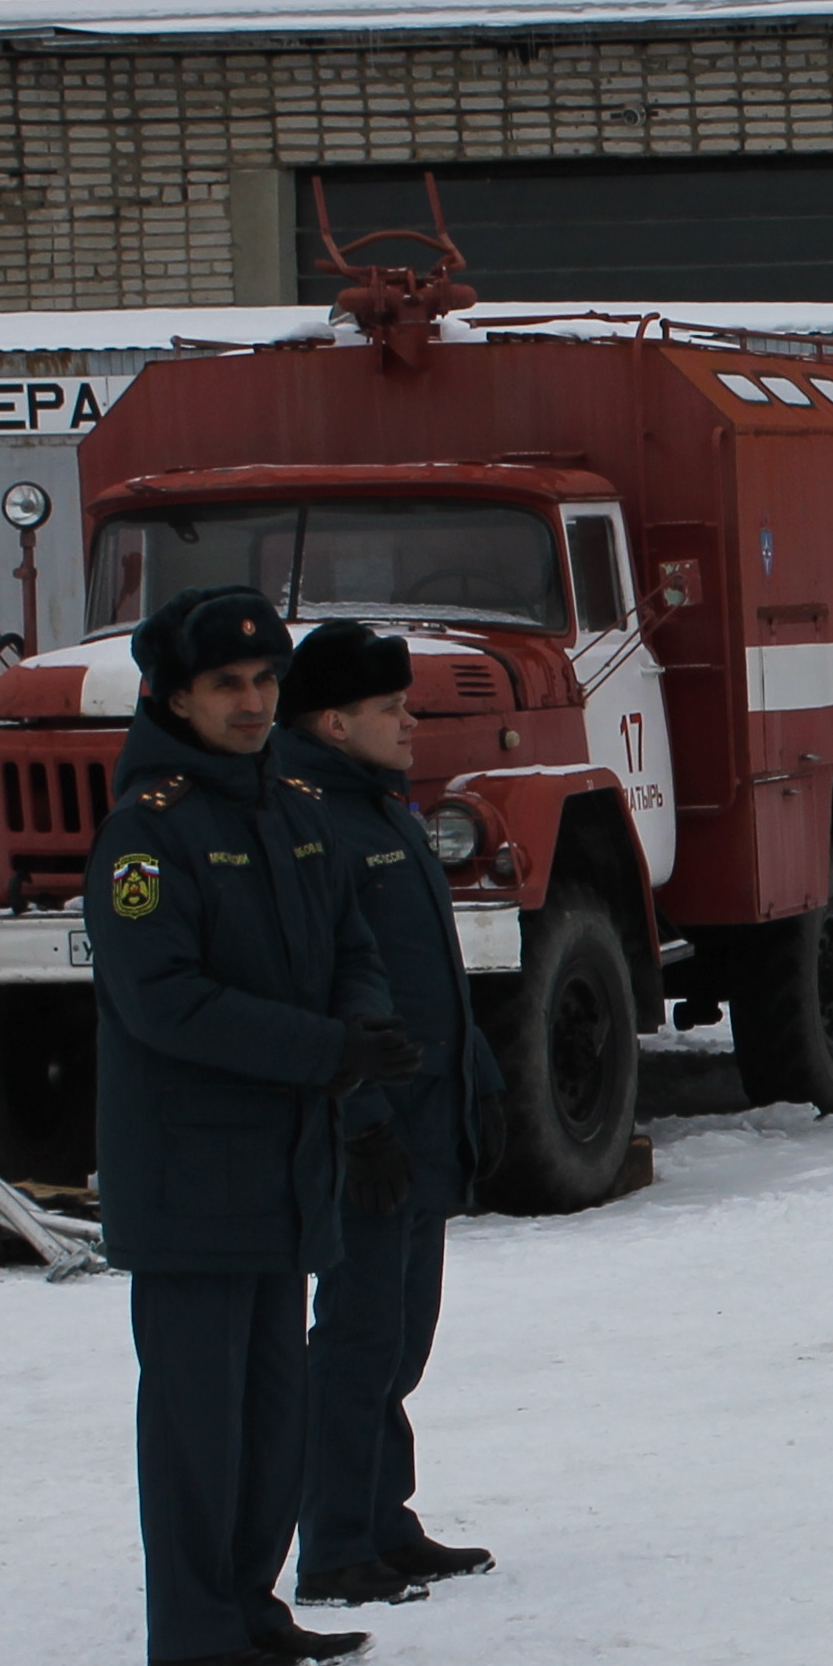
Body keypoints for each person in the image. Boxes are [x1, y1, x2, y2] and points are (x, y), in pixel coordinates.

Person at [85, 584, 421, 1666]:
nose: (251, 700)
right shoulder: (151, 827)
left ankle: (247, 1602)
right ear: (174, 695)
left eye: (265, 681)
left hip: (286, 1165)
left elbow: (349, 938)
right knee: (197, 1421)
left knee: (272, 1410)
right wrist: (325, 1049)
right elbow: (164, 1000)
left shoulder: (291, 801)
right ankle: (191, 1630)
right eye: (227, 684)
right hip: (193, 1170)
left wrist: (364, 1025)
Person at [275, 619, 504, 1608]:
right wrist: (361, 1115)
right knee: (360, 1336)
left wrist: (478, 1080)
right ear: (333, 721)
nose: (410, 723)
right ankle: (332, 1543)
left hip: (425, 1112)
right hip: (368, 1125)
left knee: (403, 1334)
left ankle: (382, 1517)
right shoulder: (308, 821)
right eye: (390, 710)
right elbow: (328, 984)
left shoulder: (382, 808)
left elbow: (428, 970)